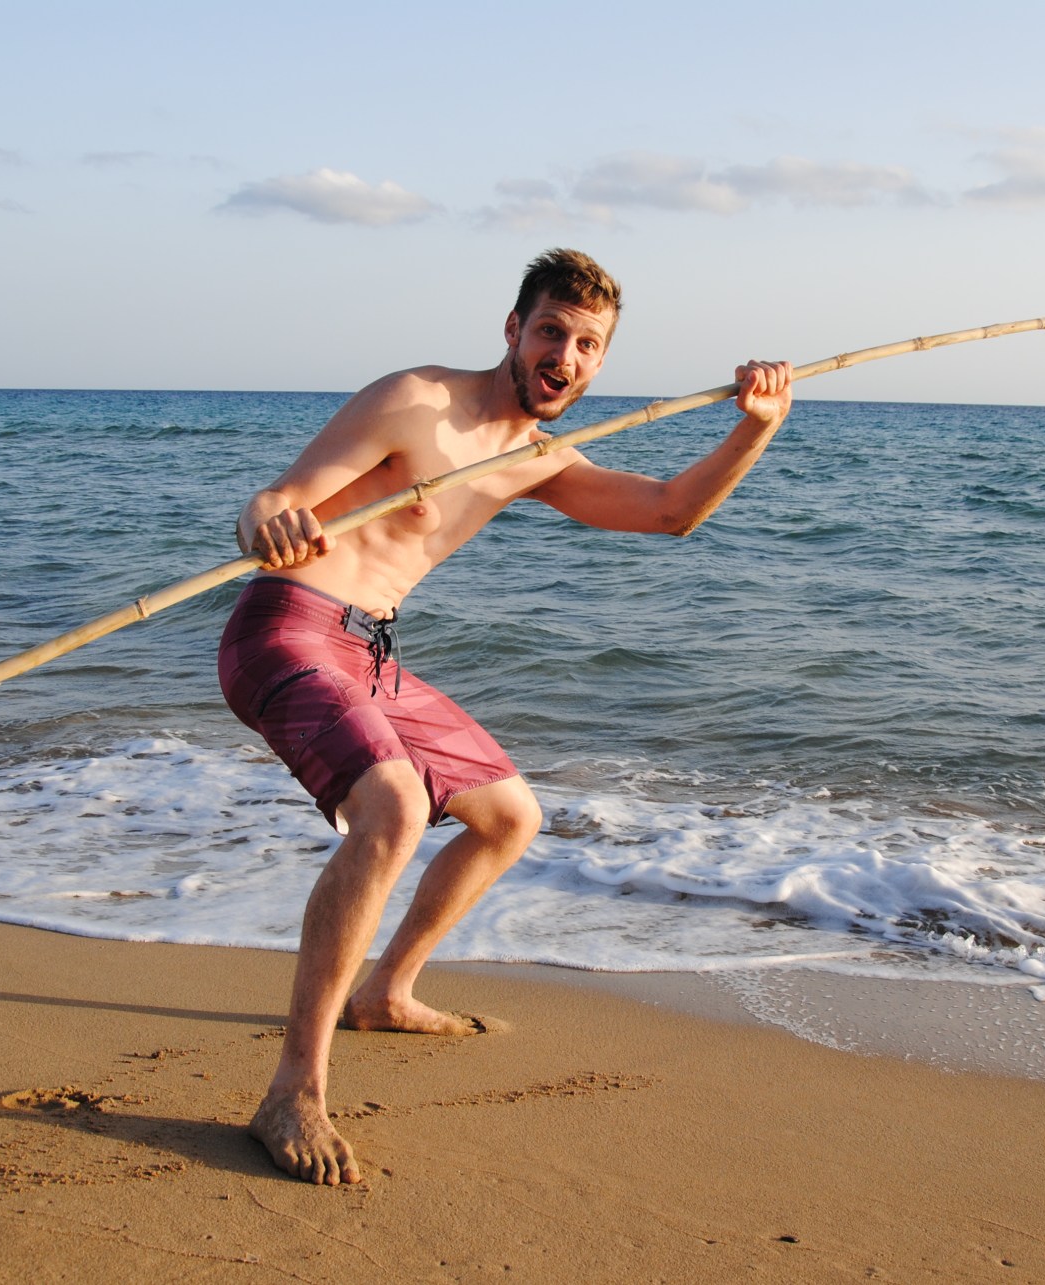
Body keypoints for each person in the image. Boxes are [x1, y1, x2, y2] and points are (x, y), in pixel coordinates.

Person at [218, 249, 793, 1183]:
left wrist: (757, 427)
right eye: (550, 331)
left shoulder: (537, 458)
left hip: (369, 650)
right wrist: (270, 518)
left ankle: (386, 992)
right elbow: (278, 501)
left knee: (509, 816)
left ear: (600, 363)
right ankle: (293, 1088)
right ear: (513, 332)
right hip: (285, 627)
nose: (565, 353)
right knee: (396, 810)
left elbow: (670, 512)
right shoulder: (416, 400)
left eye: (587, 343)